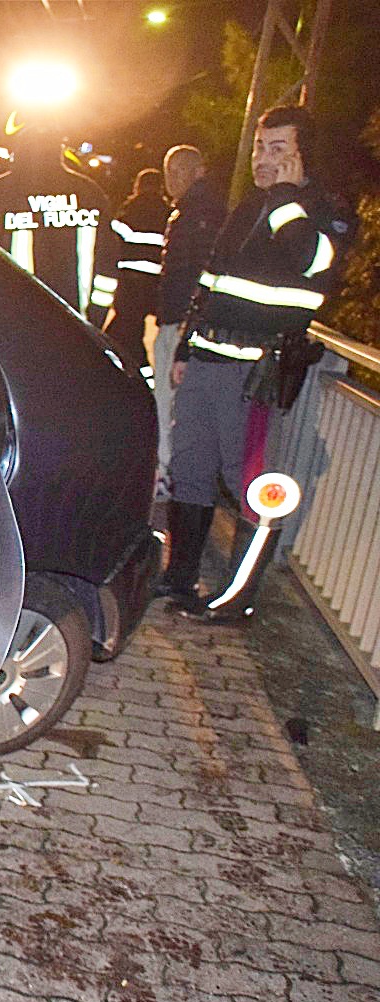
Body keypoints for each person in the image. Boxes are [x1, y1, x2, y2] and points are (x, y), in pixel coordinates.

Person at [158, 106, 355, 623]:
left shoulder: (322, 206)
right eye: (259, 147)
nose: (262, 160)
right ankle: (180, 577)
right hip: (209, 358)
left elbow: (314, 263)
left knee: (246, 482)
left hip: (256, 372)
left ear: (302, 155)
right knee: (190, 468)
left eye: (278, 150)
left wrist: (287, 201)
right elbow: (215, 277)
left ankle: (238, 596)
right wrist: (187, 346)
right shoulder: (251, 202)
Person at [0, 124, 116, 318]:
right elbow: (109, 260)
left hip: (15, 326)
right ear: (59, 150)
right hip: (78, 327)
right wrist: (97, 317)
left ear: (18, 151)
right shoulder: (89, 193)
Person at [150, 146, 226, 499]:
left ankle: (166, 475)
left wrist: (181, 320)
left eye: (181, 170)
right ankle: (178, 475)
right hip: (183, 319)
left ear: (199, 172)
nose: (174, 178)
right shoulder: (203, 210)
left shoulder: (197, 214)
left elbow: (190, 273)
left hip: (181, 321)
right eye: (170, 170)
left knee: (169, 400)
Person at [98, 168, 168, 376]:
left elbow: (113, 245)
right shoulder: (168, 212)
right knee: (129, 334)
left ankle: (130, 380)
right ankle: (140, 379)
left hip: (130, 283)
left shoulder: (131, 209)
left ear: (138, 186)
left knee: (115, 336)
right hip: (153, 285)